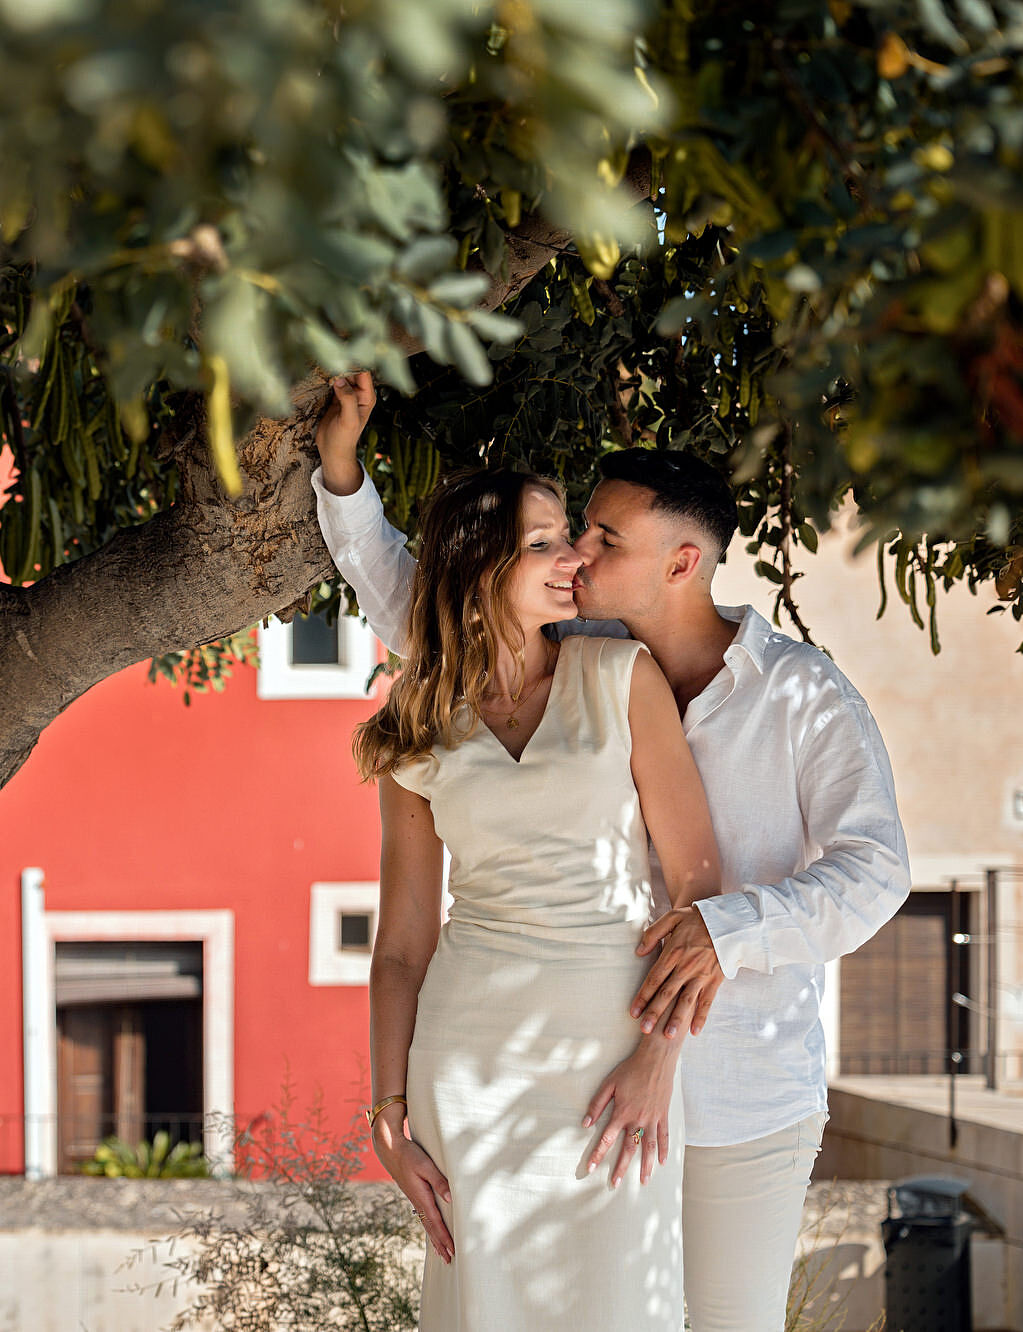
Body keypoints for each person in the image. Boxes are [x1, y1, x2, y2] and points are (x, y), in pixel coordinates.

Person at [319, 372, 912, 1332]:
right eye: (570, 531)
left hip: (739, 1091)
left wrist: (728, 933)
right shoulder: (577, 648)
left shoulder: (802, 697)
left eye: (602, 539)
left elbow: (875, 871)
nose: (580, 552)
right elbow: (429, 595)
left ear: (681, 565)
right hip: (570, 1064)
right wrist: (341, 471)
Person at [359, 464, 724, 1330]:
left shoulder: (620, 674)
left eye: (567, 535)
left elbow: (699, 888)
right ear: (478, 566)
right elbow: (403, 946)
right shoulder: (414, 723)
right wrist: (387, 1116)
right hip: (470, 1064)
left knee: (621, 1304)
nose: (572, 557)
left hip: (614, 1056)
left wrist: (658, 1058)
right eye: (542, 543)